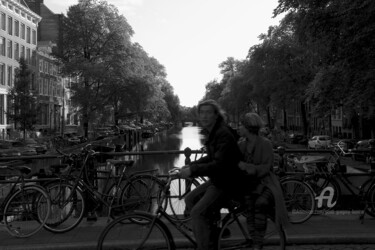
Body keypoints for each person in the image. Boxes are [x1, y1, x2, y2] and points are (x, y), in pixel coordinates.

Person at [179, 99, 243, 250]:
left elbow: (219, 164)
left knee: (196, 212)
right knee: (189, 199)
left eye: (208, 112)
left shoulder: (223, 134)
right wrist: (191, 166)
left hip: (227, 182)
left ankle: (205, 245)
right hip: (219, 179)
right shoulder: (214, 132)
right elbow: (211, 157)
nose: (204, 116)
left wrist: (193, 170)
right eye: (202, 112)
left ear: (216, 115)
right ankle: (213, 233)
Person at [237, 112, 289, 250]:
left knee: (261, 203)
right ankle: (254, 238)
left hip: (266, 183)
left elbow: (266, 167)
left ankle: (258, 243)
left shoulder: (265, 144)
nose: (238, 128)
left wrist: (248, 167)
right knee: (248, 207)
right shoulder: (241, 145)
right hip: (249, 184)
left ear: (249, 127)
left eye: (241, 125)